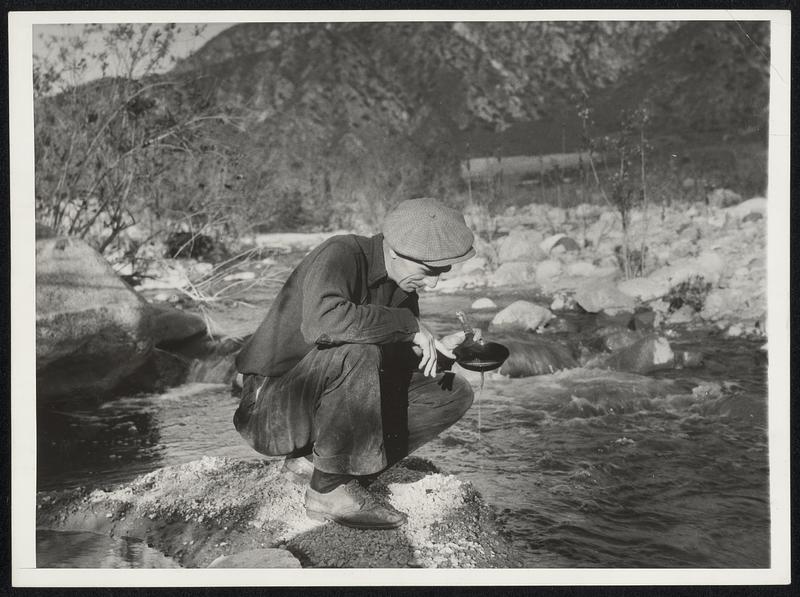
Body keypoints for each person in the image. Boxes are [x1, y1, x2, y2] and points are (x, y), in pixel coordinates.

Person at [233, 198, 478, 530]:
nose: (434, 283)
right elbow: (323, 323)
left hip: (318, 403)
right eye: (428, 271)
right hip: (270, 410)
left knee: (452, 393)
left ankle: (314, 464)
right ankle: (328, 491)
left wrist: (438, 353)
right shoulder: (341, 254)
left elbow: (389, 371)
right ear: (394, 252)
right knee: (358, 353)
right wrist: (407, 325)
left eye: (442, 272)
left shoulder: (403, 290)